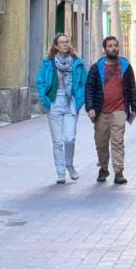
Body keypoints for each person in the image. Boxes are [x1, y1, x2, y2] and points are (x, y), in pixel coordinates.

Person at [84, 36, 136, 185]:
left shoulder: (126, 67)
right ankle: (103, 167)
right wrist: (90, 108)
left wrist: (134, 107)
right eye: (110, 46)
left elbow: (132, 87)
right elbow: (89, 88)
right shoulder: (97, 68)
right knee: (101, 143)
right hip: (101, 110)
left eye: (115, 45)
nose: (113, 48)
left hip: (119, 109)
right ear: (104, 49)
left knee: (117, 141)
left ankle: (118, 171)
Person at [35, 34, 87, 184]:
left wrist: (79, 100)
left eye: (67, 42)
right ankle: (60, 172)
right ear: (56, 46)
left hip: (70, 102)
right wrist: (46, 101)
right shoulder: (48, 63)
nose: (65, 44)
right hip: (54, 102)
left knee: (69, 138)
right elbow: (41, 82)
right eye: (62, 42)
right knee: (57, 141)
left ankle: (69, 164)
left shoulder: (77, 63)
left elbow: (83, 82)